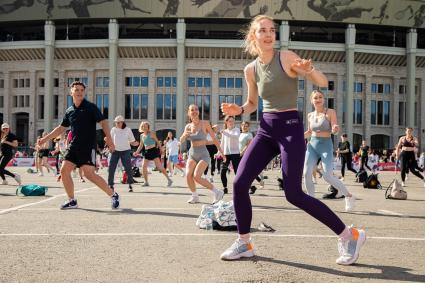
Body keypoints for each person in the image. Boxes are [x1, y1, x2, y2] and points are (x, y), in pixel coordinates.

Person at [219, 15, 365, 265]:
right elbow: (253, 103)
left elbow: (322, 82)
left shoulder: (285, 57)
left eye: (272, 30)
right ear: (253, 36)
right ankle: (244, 242)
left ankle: (349, 235)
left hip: (289, 129)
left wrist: (310, 70)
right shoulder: (250, 69)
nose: (268, 34)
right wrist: (239, 110)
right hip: (265, 130)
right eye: (262, 30)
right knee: (239, 183)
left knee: (294, 193)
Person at [37, 81, 120, 209]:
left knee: (89, 175)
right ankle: (72, 200)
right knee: (64, 171)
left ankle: (113, 194)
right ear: (71, 93)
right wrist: (45, 139)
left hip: (87, 147)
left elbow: (103, 122)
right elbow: (61, 128)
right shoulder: (69, 111)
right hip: (74, 146)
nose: (79, 92)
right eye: (76, 90)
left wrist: (109, 140)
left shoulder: (90, 107)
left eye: (82, 90)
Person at [303, 90, 355, 211]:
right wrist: (295, 138)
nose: (318, 99)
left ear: (324, 99)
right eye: (315, 98)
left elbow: (334, 129)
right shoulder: (310, 115)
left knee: (327, 175)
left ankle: (348, 196)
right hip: (312, 145)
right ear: (312, 101)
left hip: (326, 145)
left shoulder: (330, 112)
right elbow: (310, 132)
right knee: (306, 173)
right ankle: (311, 202)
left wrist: (335, 129)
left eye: (320, 97)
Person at [180, 104, 226, 204]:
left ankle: (217, 192)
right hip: (192, 153)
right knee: (188, 175)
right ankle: (195, 196)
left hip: (203, 154)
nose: (194, 111)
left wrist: (221, 152)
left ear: (199, 112)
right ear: (189, 113)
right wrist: (184, 135)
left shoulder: (205, 123)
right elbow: (181, 140)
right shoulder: (188, 126)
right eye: (192, 110)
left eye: (196, 109)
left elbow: (214, 138)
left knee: (197, 176)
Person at [134, 121, 172, 187]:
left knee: (160, 167)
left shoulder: (152, 133)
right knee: (143, 167)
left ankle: (169, 180)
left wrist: (161, 149)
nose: (144, 127)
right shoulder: (141, 135)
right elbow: (141, 145)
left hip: (153, 151)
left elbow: (157, 142)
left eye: (145, 126)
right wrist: (136, 152)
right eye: (143, 126)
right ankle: (146, 182)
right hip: (146, 152)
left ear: (148, 127)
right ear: (141, 127)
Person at [108, 115, 139, 192]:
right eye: (116, 122)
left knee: (128, 168)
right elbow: (110, 140)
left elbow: (132, 141)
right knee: (111, 168)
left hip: (125, 151)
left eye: (118, 122)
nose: (117, 124)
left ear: (122, 122)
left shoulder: (128, 130)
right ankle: (111, 185)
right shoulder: (113, 129)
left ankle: (130, 185)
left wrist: (135, 144)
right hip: (115, 151)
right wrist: (108, 142)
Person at [239, 121, 264, 195]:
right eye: (243, 125)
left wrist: (242, 152)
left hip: (245, 155)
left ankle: (251, 186)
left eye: (246, 126)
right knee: (247, 172)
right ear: (241, 126)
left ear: (248, 127)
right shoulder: (240, 134)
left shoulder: (249, 134)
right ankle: (259, 181)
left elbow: (248, 145)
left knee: (245, 172)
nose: (244, 127)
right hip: (238, 155)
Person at [220, 115, 241, 194]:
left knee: (237, 172)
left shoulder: (237, 130)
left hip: (235, 153)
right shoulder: (225, 131)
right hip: (226, 154)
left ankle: (239, 187)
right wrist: (218, 152)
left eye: (233, 121)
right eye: (229, 121)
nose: (231, 122)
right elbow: (222, 143)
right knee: (223, 171)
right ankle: (225, 188)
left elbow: (235, 136)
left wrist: (225, 133)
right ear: (226, 122)